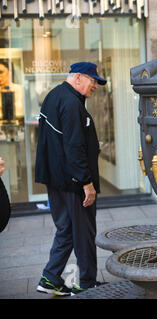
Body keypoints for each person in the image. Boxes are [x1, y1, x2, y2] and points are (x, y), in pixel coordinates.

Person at [35, 62, 107, 296]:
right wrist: (86, 183)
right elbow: (74, 146)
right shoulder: (71, 103)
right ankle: (85, 282)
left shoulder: (54, 96)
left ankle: (50, 278)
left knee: (66, 228)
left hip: (56, 178)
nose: (95, 85)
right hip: (73, 181)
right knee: (84, 232)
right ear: (77, 77)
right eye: (92, 80)